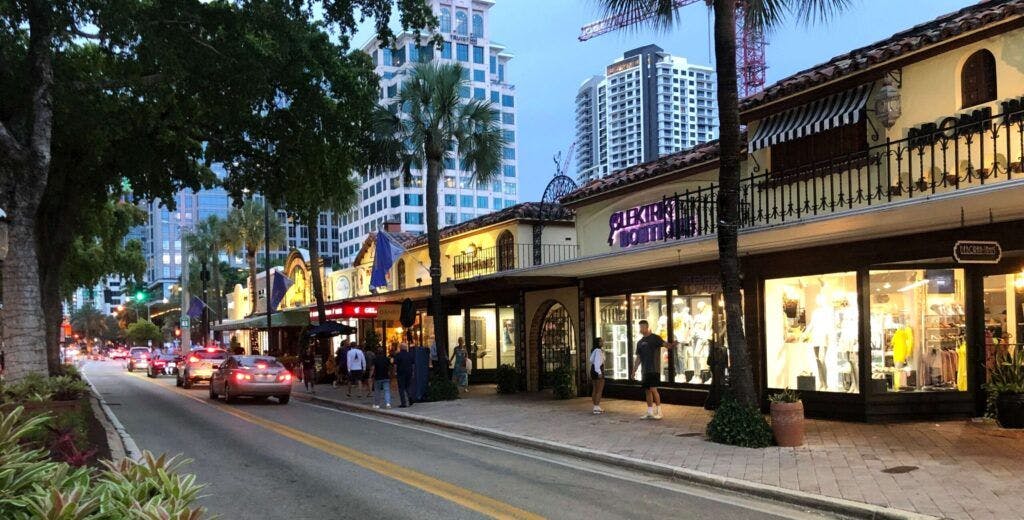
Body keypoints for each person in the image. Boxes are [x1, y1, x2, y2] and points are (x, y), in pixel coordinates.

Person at [633, 320, 664, 420]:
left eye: (642, 327)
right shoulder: (640, 342)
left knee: (653, 390)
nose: (640, 329)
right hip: (645, 370)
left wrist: (673, 345)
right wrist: (634, 370)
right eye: (639, 327)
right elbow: (638, 358)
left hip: (654, 369)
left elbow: (666, 344)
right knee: (647, 391)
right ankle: (650, 411)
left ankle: (659, 411)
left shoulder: (655, 338)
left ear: (646, 327)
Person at [393, 342, 415, 408]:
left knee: (401, 388)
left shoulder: (398, 355)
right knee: (408, 386)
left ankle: (403, 403)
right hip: (409, 372)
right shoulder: (410, 355)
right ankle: (410, 398)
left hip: (401, 373)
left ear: (400, 348)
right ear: (406, 348)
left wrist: (395, 372)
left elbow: (395, 365)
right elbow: (413, 364)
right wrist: (413, 372)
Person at [590, 338, 606, 415]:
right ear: (598, 343)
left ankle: (596, 406)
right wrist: (599, 372)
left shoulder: (594, 350)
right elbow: (597, 363)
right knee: (599, 390)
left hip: (593, 370)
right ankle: (596, 407)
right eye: (601, 341)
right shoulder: (599, 351)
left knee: (595, 389)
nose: (602, 342)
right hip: (598, 370)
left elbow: (592, 360)